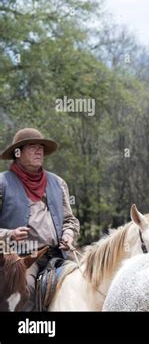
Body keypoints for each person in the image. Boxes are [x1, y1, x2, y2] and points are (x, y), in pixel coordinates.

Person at [0, 128, 80, 311]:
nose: (39, 151)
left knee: (84, 281)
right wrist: (9, 235)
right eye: (33, 147)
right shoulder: (2, 183)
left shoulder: (58, 183)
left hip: (57, 254)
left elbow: (70, 220)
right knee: (24, 290)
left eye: (41, 148)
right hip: (21, 259)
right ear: (17, 153)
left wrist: (68, 235)